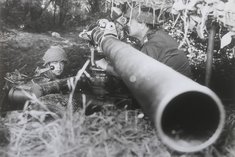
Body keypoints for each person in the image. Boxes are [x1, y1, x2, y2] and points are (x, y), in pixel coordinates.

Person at [122, 7, 192, 78]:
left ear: (142, 25)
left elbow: (137, 74)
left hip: (176, 85)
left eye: (130, 21)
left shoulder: (153, 43)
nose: (127, 24)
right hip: (176, 82)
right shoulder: (156, 35)